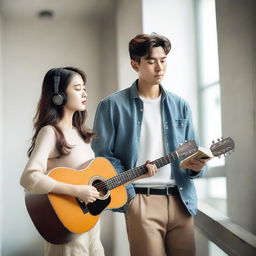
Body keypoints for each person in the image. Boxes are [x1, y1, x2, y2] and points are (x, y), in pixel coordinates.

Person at [92, 33, 208, 256]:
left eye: (163, 60)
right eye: (151, 61)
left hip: (182, 199)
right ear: (135, 64)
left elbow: (194, 150)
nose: (159, 67)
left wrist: (197, 167)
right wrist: (130, 197)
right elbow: (104, 156)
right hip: (142, 199)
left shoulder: (180, 105)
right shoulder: (111, 106)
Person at [20, 67, 105, 256]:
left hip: (91, 224)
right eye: (77, 88)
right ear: (59, 95)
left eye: (84, 87)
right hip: (66, 228)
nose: (84, 93)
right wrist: (77, 191)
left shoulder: (81, 134)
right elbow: (28, 178)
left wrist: (142, 174)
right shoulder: (50, 132)